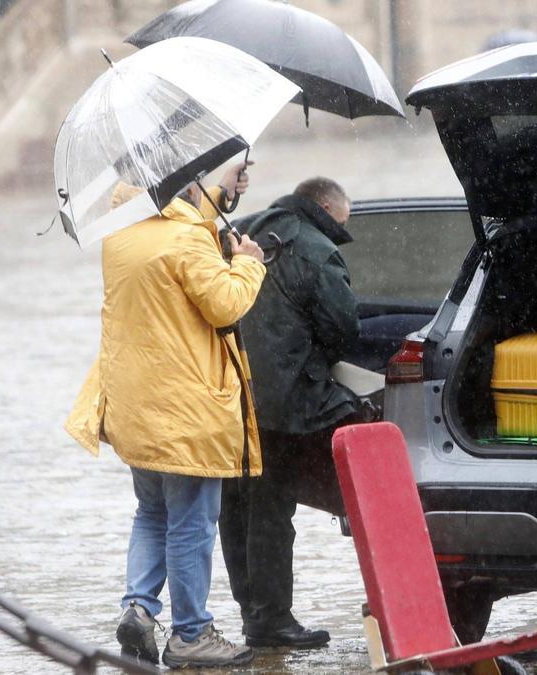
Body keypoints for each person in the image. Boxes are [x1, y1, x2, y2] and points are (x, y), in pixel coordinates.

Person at [65, 162, 267, 669]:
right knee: (193, 522)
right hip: (187, 408)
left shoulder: (123, 234)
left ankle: (138, 607)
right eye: (201, 179)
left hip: (136, 405)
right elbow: (224, 305)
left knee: (152, 513)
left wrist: (220, 193)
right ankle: (191, 633)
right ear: (184, 186)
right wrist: (248, 263)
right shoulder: (186, 241)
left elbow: (175, 242)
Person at [218, 176, 361, 649]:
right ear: (323, 206)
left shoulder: (239, 232)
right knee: (273, 507)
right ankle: (272, 620)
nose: (341, 233)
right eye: (341, 224)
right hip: (287, 406)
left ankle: (253, 611)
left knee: (238, 504)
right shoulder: (319, 251)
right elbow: (343, 330)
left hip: (230, 398)